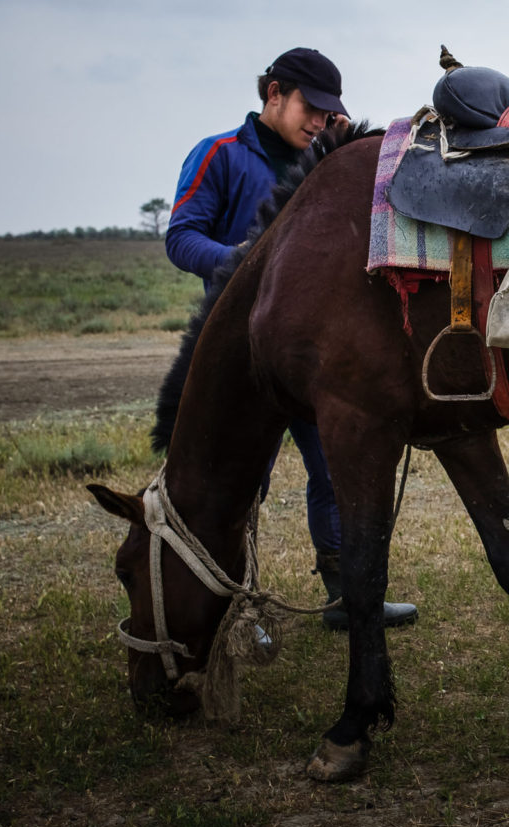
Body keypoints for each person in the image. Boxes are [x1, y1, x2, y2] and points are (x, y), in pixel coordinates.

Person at [165, 47, 417, 630]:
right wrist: (244, 265)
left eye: (330, 115)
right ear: (273, 93)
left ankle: (347, 599)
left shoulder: (331, 163)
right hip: (242, 359)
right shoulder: (219, 155)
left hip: (311, 355)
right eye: (311, 108)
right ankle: (234, 604)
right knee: (239, 483)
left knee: (336, 468)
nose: (320, 122)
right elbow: (181, 237)